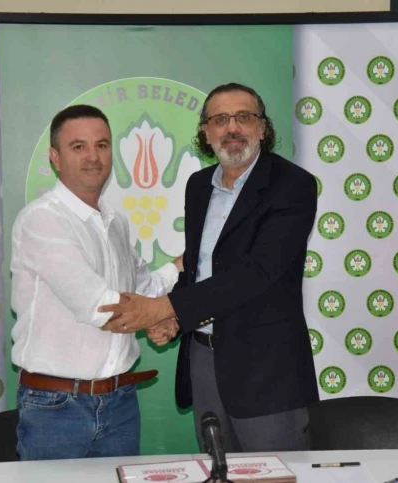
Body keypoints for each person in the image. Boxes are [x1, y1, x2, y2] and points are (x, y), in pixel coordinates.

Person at [99, 83, 319, 453]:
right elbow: (201, 267)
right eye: (220, 120)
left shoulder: (292, 185)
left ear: (262, 128)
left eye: (243, 117)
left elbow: (257, 272)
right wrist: (176, 320)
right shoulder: (199, 186)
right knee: (217, 470)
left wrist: (164, 307)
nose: (232, 128)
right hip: (203, 360)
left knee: (273, 475)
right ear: (206, 132)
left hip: (266, 368)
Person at [10, 104, 182, 461]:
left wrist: (188, 261)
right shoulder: (42, 220)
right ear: (55, 157)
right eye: (79, 147)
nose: (93, 156)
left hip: (121, 403)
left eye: (102, 145)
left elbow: (146, 289)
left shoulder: (115, 223)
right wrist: (162, 315)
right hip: (56, 408)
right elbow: (102, 308)